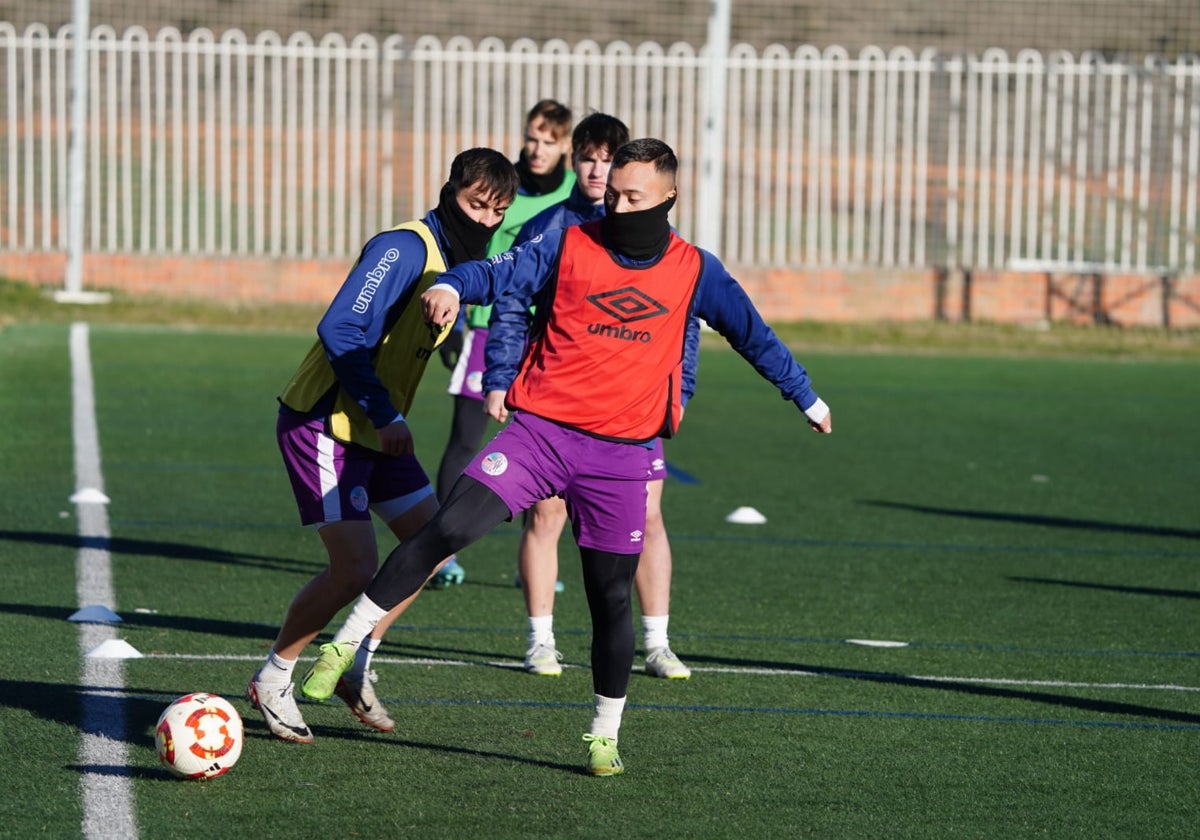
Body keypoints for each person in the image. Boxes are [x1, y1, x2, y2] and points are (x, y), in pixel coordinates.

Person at [300, 138, 832, 776]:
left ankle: (604, 733)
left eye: (635, 197)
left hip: (623, 457)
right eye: (614, 194)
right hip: (540, 434)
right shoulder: (571, 242)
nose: (620, 205)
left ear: (669, 199)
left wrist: (804, 395)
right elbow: (497, 275)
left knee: (609, 597)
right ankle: (346, 643)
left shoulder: (696, 269)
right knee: (448, 526)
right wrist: (450, 283)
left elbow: (753, 334)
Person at [246, 147, 519, 744]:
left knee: (435, 548)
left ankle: (356, 659)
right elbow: (340, 328)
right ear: (449, 192)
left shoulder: (455, 260)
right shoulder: (402, 248)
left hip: (375, 429)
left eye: (497, 211)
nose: (486, 221)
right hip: (325, 423)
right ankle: (273, 676)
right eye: (476, 205)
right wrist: (386, 410)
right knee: (355, 570)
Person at [485, 112, 693, 679]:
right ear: (573, 161)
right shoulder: (553, 228)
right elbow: (509, 300)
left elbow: (686, 318)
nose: (598, 169)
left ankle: (657, 643)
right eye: (588, 157)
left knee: (649, 517)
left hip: (632, 407)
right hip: (557, 398)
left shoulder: (653, 236)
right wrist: (501, 376)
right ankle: (540, 640)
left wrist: (680, 391)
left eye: (609, 159)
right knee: (546, 516)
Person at [430, 99, 576, 589]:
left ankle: (533, 561)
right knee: (466, 439)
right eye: (531, 138)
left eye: (548, 142)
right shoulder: (502, 184)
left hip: (544, 337)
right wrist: (458, 320)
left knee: (543, 444)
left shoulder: (578, 197)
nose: (536, 149)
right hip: (486, 325)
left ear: (565, 147)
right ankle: (440, 551)